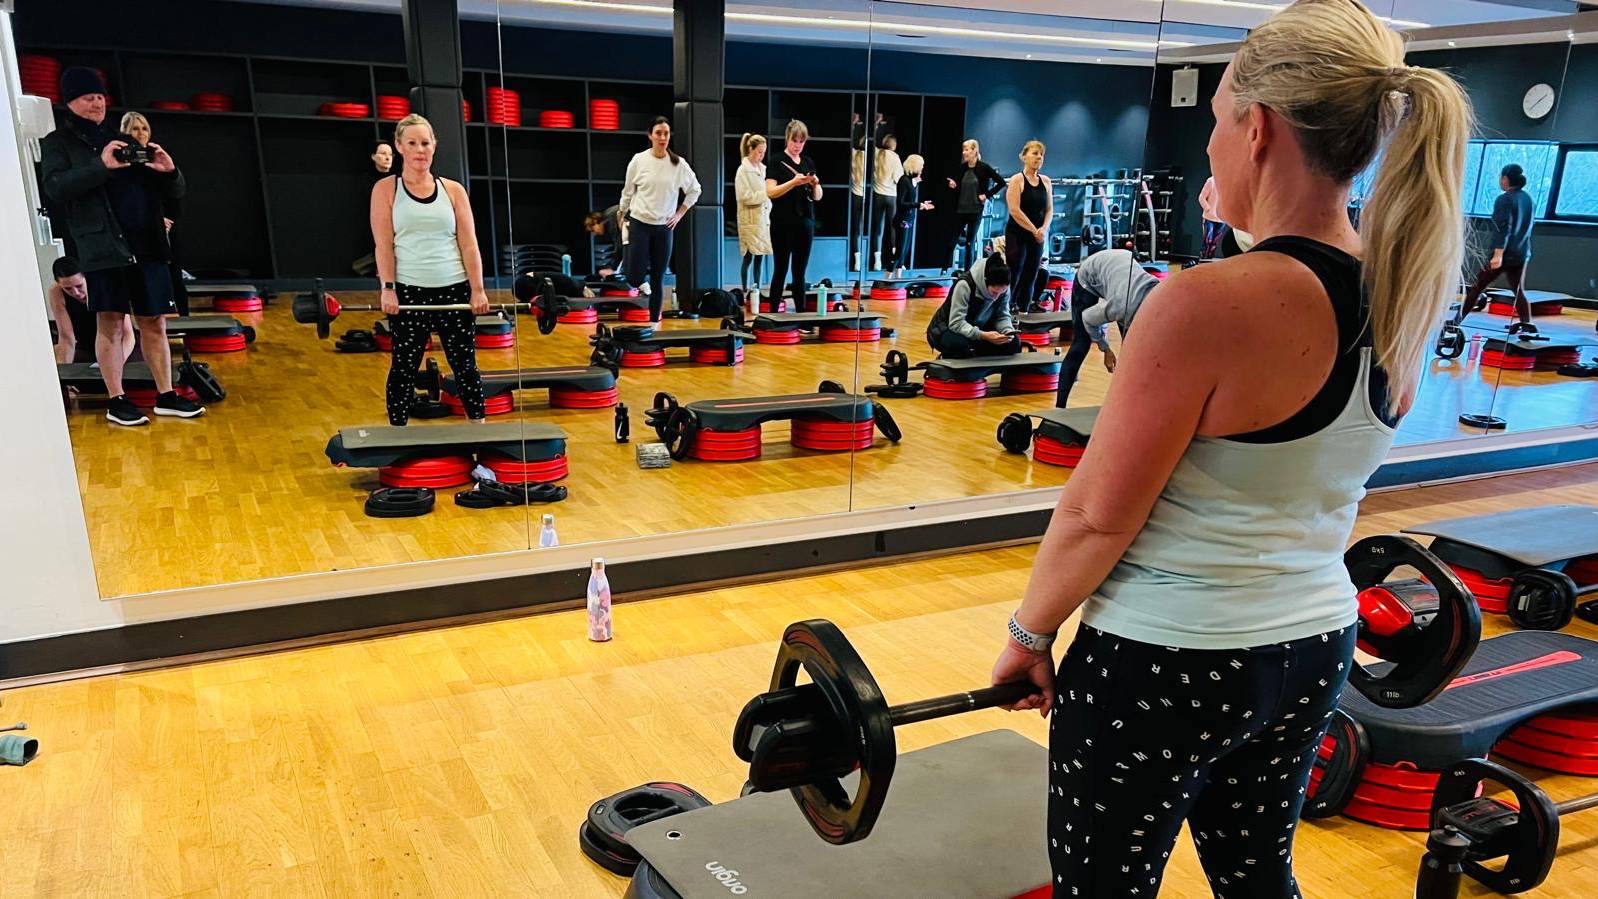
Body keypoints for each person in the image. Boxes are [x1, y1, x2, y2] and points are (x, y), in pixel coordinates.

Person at [989, 1, 1470, 896]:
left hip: (1165, 659)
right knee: (1255, 874)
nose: (1209, 146)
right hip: (1314, 644)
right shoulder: (1404, 290)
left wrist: (1030, 631)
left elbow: (1097, 514)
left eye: (1214, 123)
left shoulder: (1206, 303)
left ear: (1257, 129)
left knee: (1105, 886)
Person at [40, 67, 202, 427]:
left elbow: (171, 191)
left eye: (99, 96)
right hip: (102, 246)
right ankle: (117, 400)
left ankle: (167, 395)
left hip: (146, 244)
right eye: (87, 96)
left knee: (154, 321)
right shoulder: (58, 143)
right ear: (70, 102)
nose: (96, 102)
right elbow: (55, 188)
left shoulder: (122, 137)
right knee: (111, 322)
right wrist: (100, 165)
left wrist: (170, 171)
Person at [370, 113, 489, 426]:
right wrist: (388, 288)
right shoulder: (386, 190)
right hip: (409, 292)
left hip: (455, 288)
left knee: (465, 364)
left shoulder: (453, 190)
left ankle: (479, 428)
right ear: (399, 146)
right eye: (412, 143)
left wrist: (477, 289)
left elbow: (469, 245)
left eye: (425, 142)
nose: (419, 149)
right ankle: (397, 430)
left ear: (434, 146)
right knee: (404, 365)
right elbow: (384, 246)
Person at [618, 116, 702, 321]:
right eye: (658, 133)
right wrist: (622, 213)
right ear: (650, 135)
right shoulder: (639, 160)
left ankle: (655, 323)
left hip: (663, 227)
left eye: (666, 133)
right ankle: (638, 283)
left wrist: (679, 214)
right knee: (634, 277)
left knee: (658, 278)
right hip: (639, 224)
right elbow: (628, 192)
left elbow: (695, 190)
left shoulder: (678, 164)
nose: (663, 137)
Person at [1052, 248, 1158, 409]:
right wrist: (1105, 348)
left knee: (1132, 352)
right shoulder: (1121, 307)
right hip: (1091, 273)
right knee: (1081, 344)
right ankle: (1059, 407)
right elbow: (1087, 318)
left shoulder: (1162, 299)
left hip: (1124, 270)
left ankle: (1128, 407)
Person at [122, 111, 190, 316]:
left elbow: (176, 192)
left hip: (165, 229)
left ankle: (184, 320)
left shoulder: (159, 157)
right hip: (138, 232)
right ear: (126, 131)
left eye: (144, 128)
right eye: (135, 128)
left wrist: (167, 220)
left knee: (175, 276)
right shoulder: (122, 163)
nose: (140, 132)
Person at [1458, 163, 1536, 334]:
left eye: (1501, 177)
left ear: (1506, 179)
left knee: (1478, 286)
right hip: (1522, 252)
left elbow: (1504, 228)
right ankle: (1527, 325)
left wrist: (1498, 254)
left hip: (1505, 254)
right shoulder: (1527, 198)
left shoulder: (1505, 199)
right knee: (1518, 290)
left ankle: (1457, 320)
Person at [767, 119, 823, 312]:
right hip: (782, 223)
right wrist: (793, 182)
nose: (797, 145)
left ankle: (801, 314)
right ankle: (773, 312)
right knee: (780, 269)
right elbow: (770, 192)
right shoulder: (776, 160)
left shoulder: (808, 162)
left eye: (801, 141)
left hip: (805, 222)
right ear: (787, 139)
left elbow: (818, 197)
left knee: (800, 272)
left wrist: (815, 184)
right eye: (794, 141)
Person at [925, 253, 1020, 359]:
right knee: (959, 345)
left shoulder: (1004, 288)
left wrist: (1007, 331)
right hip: (947, 328)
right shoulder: (964, 285)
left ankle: (974, 357)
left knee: (1014, 343)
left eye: (1001, 292)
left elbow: (1002, 316)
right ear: (985, 282)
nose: (996, 297)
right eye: (994, 292)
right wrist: (982, 335)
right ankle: (948, 357)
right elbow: (956, 323)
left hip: (978, 328)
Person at [48, 255, 133, 365]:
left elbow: (128, 336)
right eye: (68, 289)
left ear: (87, 278)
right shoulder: (56, 292)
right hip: (86, 347)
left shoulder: (103, 286)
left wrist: (116, 364)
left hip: (118, 344)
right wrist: (64, 373)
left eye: (79, 286)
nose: (76, 293)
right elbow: (66, 338)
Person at [1003, 140, 1052, 312]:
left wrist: (1043, 229)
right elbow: (1014, 210)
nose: (1039, 157)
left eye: (1041, 154)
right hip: (1017, 234)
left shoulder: (1046, 181)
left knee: (1032, 274)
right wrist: (1034, 230)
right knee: (1015, 272)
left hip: (1037, 235)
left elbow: (1049, 209)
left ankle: (1024, 311)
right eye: (1034, 153)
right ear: (1023, 157)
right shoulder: (1017, 180)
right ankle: (1006, 309)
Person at [946, 139, 1005, 272]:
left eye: (966, 149)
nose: (964, 152)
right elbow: (957, 185)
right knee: (952, 242)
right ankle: (944, 269)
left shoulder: (983, 168)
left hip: (975, 210)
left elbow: (1001, 182)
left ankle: (968, 272)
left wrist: (986, 195)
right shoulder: (962, 168)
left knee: (969, 243)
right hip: (960, 210)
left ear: (974, 151)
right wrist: (953, 185)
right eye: (963, 149)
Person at [735, 133, 772, 295]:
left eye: (763, 152)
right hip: (749, 220)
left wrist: (768, 201)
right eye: (759, 152)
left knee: (761, 256)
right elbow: (743, 196)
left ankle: (757, 290)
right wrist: (765, 195)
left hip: (763, 219)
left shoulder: (764, 169)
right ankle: (744, 290)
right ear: (751, 149)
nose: (761, 156)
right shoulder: (743, 171)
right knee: (749, 256)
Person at [888, 154, 934, 279]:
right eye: (921, 165)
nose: (922, 168)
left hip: (909, 220)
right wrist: (919, 205)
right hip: (902, 220)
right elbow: (901, 203)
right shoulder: (903, 181)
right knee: (899, 251)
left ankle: (898, 278)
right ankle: (886, 278)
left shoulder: (911, 181)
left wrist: (922, 204)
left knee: (904, 251)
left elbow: (910, 197)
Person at [869, 133, 905, 271]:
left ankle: (876, 262)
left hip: (878, 195)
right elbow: (899, 179)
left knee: (878, 229)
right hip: (892, 196)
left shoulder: (877, 154)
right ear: (894, 145)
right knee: (894, 228)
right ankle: (896, 261)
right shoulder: (895, 158)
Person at [584, 205, 625, 277]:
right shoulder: (609, 216)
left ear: (595, 221)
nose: (594, 234)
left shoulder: (610, 219)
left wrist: (612, 268)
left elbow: (619, 244)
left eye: (593, 230)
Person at [1199, 175, 1225, 259]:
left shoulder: (1228, 183)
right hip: (1209, 217)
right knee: (1207, 240)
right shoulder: (1211, 181)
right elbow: (1201, 197)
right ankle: (1203, 259)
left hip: (1222, 219)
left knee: (1214, 242)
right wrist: (1208, 208)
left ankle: (1209, 260)